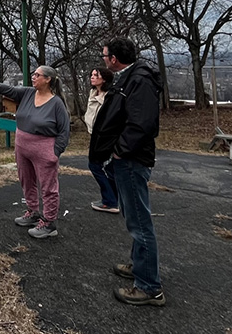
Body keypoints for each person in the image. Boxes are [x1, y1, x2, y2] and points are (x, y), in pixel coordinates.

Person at [89, 37, 165, 306]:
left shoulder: (139, 80)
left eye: (105, 54)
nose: (103, 59)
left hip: (132, 160)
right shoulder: (129, 76)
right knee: (133, 217)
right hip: (126, 159)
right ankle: (139, 265)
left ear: (113, 59)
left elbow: (141, 124)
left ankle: (148, 287)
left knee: (139, 223)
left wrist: (119, 150)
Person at [0, 66, 70, 239]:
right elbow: (9, 90)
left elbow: (64, 131)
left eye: (37, 75)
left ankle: (49, 223)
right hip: (22, 148)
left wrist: (55, 153)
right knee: (27, 181)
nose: (33, 77)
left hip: (44, 149)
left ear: (48, 79)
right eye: (33, 74)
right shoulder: (27, 93)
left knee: (48, 187)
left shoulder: (56, 103)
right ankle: (33, 212)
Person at [84, 67, 119, 214]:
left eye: (95, 75)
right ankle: (113, 199)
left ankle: (110, 201)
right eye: (91, 74)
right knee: (109, 168)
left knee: (95, 166)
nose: (92, 77)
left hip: (104, 137)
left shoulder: (109, 96)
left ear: (104, 79)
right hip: (94, 134)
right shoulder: (93, 93)